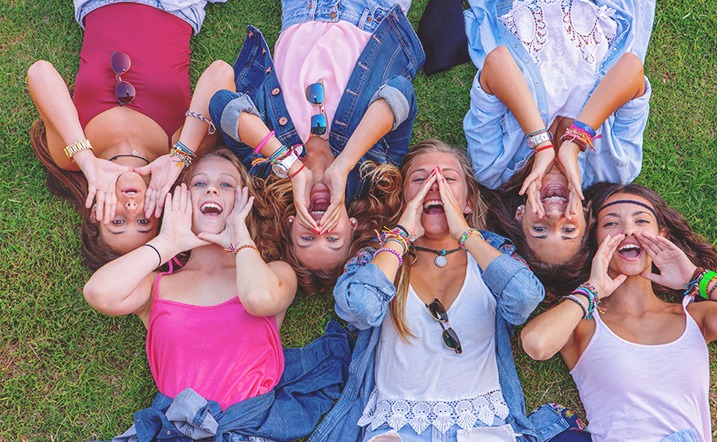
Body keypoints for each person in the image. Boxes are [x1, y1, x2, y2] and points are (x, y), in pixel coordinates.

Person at [309, 140, 588, 441]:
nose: (434, 186)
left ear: (468, 202)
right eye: (420, 179)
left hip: (482, 426)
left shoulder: (492, 254)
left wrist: (465, 234)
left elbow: (524, 297)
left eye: (447, 178)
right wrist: (400, 237)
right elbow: (359, 309)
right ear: (404, 200)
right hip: (397, 429)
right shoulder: (380, 257)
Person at [83, 147, 349, 440]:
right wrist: (168, 242)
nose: (211, 189)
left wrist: (240, 237)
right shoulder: (155, 286)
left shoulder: (275, 272)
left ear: (244, 202)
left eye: (226, 185)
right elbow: (99, 293)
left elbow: (259, 299)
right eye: (199, 183)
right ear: (178, 201)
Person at [208, 0, 424, 292]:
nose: (318, 228)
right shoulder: (377, 170)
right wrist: (344, 165)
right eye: (333, 239)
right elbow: (400, 92)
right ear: (352, 226)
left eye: (306, 238)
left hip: (303, 10)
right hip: (371, 12)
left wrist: (292, 166)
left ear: (290, 223)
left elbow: (223, 105)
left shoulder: (266, 171)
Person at [27, 0, 229, 269]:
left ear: (96, 214)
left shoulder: (72, 157)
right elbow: (221, 72)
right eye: (144, 222)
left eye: (118, 222)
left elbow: (40, 72)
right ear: (160, 214)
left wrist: (86, 158)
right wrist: (180, 157)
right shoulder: (180, 148)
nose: (132, 209)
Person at [521, 182, 717, 441]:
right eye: (611, 224)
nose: (628, 230)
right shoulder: (584, 322)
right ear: (596, 239)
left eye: (641, 221)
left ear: (661, 235)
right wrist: (592, 290)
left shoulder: (696, 317)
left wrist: (698, 278)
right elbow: (536, 344)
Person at [463, 0, 655, 275]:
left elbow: (497, 63)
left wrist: (542, 144)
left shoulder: (492, 167)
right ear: (588, 217)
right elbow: (631, 70)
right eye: (568, 229)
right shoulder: (616, 168)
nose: (554, 216)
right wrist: (574, 143)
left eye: (539, 229)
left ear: (520, 216)